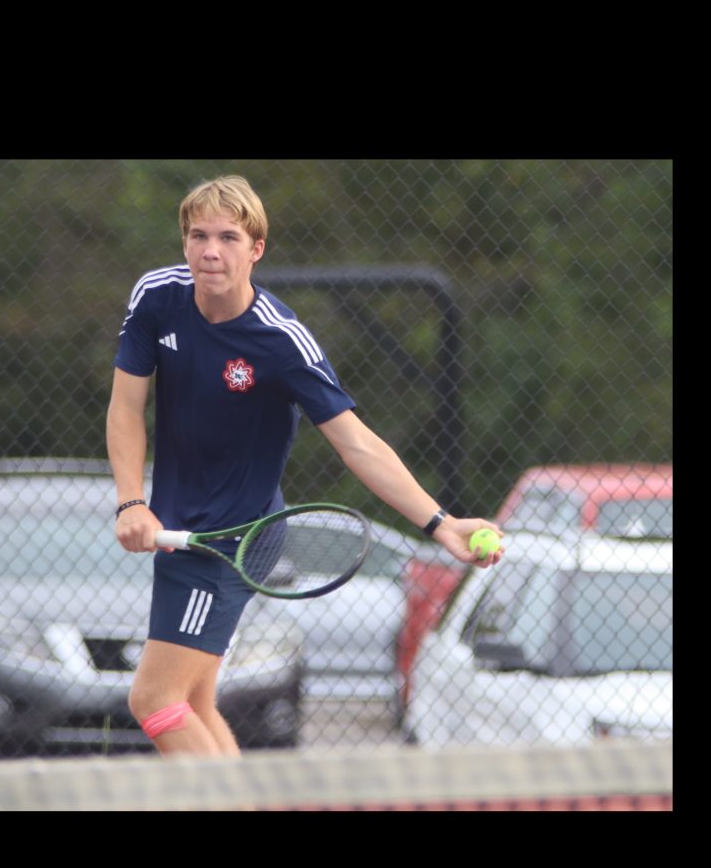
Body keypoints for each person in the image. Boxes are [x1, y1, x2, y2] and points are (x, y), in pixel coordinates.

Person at [108, 174, 502, 757]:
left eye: (228, 238)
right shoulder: (156, 296)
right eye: (198, 236)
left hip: (235, 537)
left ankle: (218, 800)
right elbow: (125, 406)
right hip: (179, 526)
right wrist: (131, 502)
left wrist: (440, 523)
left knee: (155, 701)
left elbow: (357, 444)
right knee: (194, 702)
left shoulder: (282, 341)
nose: (210, 251)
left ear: (256, 249)